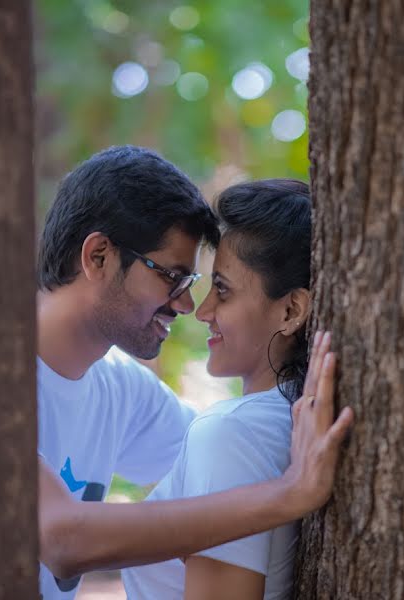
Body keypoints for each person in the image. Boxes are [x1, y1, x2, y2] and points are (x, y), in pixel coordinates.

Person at [0, 147, 353, 600]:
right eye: (173, 278)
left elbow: (225, 463)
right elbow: (64, 539)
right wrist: (291, 493)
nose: (188, 306)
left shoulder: (123, 391)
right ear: (97, 256)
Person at [122, 179, 315, 599]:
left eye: (222, 290)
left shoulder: (231, 434)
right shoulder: (287, 421)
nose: (202, 310)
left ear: (291, 310)